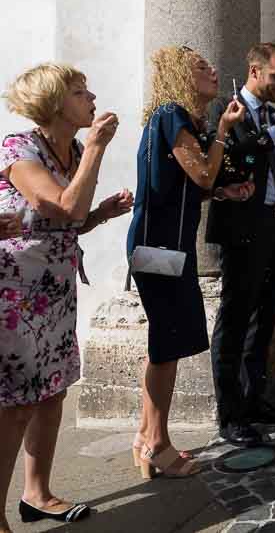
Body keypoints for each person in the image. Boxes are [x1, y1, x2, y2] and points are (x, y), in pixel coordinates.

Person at [0, 63, 132, 529]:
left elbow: (70, 220)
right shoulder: (20, 149)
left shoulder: (71, 149)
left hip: (55, 290)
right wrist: (96, 148)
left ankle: (37, 493)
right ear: (56, 104)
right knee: (16, 404)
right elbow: (59, 205)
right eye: (80, 92)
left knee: (53, 393)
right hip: (15, 295)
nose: (92, 97)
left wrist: (101, 214)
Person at [127, 46, 247, 478]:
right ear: (181, 76)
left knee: (167, 343)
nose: (213, 70)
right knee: (169, 342)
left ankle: (146, 436)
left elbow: (188, 186)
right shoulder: (172, 114)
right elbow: (200, 173)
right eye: (201, 67)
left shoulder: (171, 119)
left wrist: (221, 192)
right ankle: (157, 444)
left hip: (163, 243)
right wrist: (221, 134)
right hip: (160, 245)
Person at [205, 42, 275, 447]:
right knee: (235, 321)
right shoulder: (227, 108)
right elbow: (231, 152)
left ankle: (255, 399)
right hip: (241, 229)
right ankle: (230, 414)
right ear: (255, 72)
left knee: (264, 319)